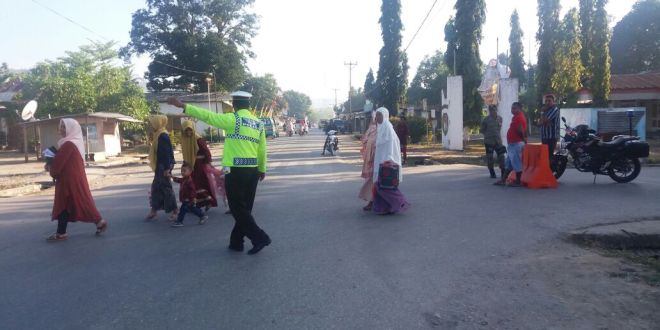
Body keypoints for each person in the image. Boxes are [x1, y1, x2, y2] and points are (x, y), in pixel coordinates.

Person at [168, 91, 271, 255]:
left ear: (235, 105)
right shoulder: (258, 123)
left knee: (238, 209)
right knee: (245, 208)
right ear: (248, 105)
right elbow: (262, 148)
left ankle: (259, 237)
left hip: (236, 171)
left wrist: (183, 106)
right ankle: (236, 242)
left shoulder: (234, 119)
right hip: (252, 171)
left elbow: (209, 116)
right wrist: (262, 168)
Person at [46, 119, 107, 241]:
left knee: (65, 203)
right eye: (61, 126)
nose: (61, 130)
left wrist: (50, 164)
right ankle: (98, 222)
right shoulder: (75, 142)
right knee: (77, 201)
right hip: (74, 178)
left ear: (71, 129)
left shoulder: (69, 144)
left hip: (68, 180)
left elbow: (58, 164)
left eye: (64, 127)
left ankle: (61, 233)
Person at [180, 120, 227, 211]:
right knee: (191, 185)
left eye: (190, 130)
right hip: (190, 166)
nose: (188, 132)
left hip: (199, 166)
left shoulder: (198, 139)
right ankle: (195, 204)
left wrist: (207, 162)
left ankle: (208, 201)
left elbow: (206, 151)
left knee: (199, 184)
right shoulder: (185, 140)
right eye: (186, 130)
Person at [372, 107, 410, 215]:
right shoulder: (381, 128)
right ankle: (385, 207)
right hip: (380, 161)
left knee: (385, 187)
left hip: (386, 161)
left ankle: (400, 202)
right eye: (377, 115)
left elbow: (391, 146)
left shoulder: (388, 128)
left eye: (379, 115)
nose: (377, 117)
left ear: (385, 116)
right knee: (381, 186)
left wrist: (389, 160)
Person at [145, 115, 178, 221]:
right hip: (162, 165)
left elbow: (166, 154)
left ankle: (175, 211)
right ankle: (154, 210)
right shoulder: (158, 134)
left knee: (166, 188)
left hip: (164, 166)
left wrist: (167, 169)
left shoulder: (162, 135)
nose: (151, 125)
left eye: (153, 123)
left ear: (158, 123)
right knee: (156, 188)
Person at [495, 102, 528, 187]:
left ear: (520, 109)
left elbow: (520, 130)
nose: (512, 110)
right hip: (513, 144)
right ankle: (503, 180)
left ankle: (518, 181)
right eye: (512, 108)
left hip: (516, 143)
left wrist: (524, 139)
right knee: (509, 163)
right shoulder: (515, 117)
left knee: (516, 162)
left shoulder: (519, 117)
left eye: (515, 108)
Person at [168, 162, 209, 227]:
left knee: (183, 210)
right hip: (185, 199)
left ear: (190, 172)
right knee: (191, 209)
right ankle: (202, 215)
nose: (182, 172)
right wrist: (172, 177)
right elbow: (179, 180)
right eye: (181, 171)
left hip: (188, 199)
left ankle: (180, 221)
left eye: (184, 171)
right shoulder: (184, 179)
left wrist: (193, 198)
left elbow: (193, 191)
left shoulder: (189, 181)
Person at [480, 105, 506, 178]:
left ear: (496, 110)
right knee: (490, 157)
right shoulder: (486, 120)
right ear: (489, 111)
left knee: (501, 156)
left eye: (494, 110)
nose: (493, 111)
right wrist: (488, 134)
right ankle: (492, 172)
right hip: (489, 141)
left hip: (498, 141)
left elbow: (499, 128)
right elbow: (482, 130)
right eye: (491, 110)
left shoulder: (500, 118)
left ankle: (503, 172)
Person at [359, 118, 378, 211]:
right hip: (371, 161)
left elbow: (364, 141)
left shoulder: (382, 130)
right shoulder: (373, 130)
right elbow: (364, 141)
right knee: (372, 182)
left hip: (375, 161)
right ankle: (372, 201)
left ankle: (372, 202)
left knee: (372, 182)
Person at [537, 93, 560, 161]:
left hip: (551, 137)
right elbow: (539, 123)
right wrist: (544, 121)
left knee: (549, 155)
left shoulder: (554, 110)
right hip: (544, 137)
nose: (547, 102)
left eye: (549, 101)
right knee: (545, 155)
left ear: (553, 102)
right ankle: (547, 170)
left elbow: (545, 120)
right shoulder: (546, 110)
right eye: (546, 101)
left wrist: (543, 114)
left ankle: (551, 170)